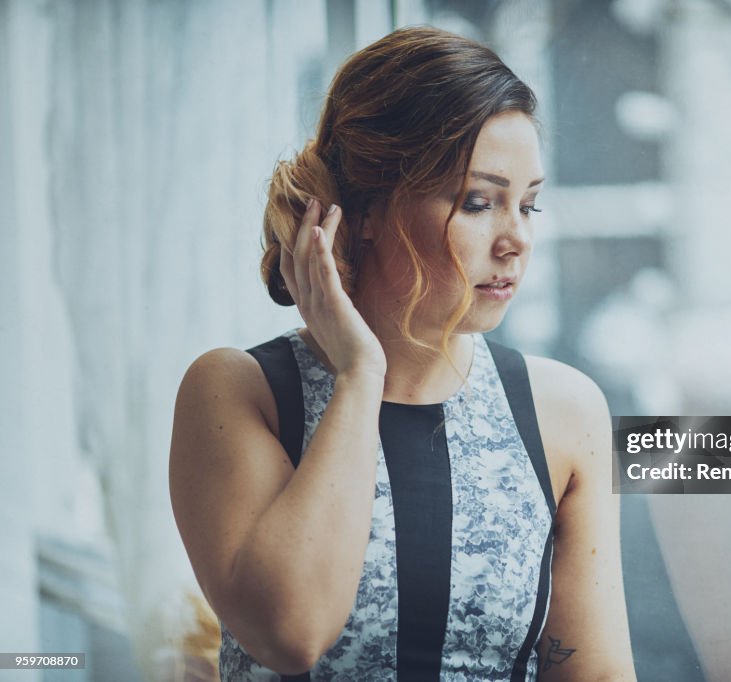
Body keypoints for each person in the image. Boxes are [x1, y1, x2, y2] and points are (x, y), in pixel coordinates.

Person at [168, 26, 635, 681]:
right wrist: (361, 376)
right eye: (478, 202)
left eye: (527, 204)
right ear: (362, 210)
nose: (516, 240)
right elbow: (291, 634)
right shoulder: (237, 392)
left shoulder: (565, 411)